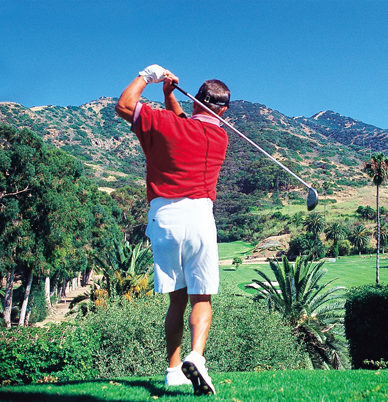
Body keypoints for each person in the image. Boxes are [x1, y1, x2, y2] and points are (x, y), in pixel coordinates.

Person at [115, 64, 230, 395]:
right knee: (201, 297)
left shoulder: (162, 123)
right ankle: (197, 356)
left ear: (195, 101)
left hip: (164, 217)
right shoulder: (220, 137)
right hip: (199, 215)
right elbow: (189, 126)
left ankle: (172, 370)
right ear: (222, 110)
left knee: (176, 300)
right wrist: (169, 97)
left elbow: (125, 104)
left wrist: (148, 77)